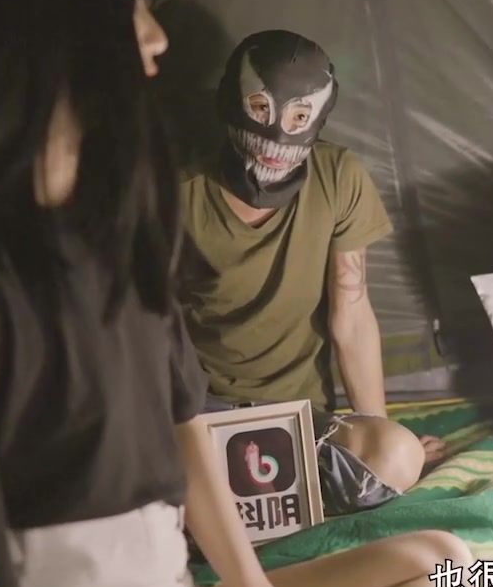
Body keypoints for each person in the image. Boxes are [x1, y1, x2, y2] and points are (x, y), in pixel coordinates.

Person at [0, 0, 475, 587]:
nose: (156, 37)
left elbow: (187, 430)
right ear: (38, 24)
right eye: (131, 5)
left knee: (452, 564)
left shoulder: (119, 239)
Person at [177, 29, 443, 515]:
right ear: (233, 102)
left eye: (299, 116)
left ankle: (236, 510)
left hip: (301, 421)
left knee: (398, 455)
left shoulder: (338, 175)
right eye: (261, 108)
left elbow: (352, 313)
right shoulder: (178, 191)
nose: (278, 135)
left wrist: (377, 430)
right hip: (201, 414)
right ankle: (231, 508)